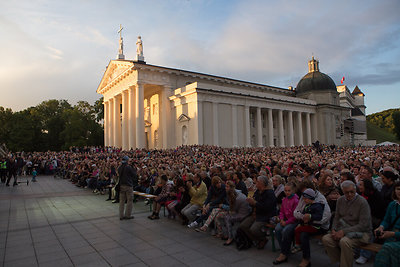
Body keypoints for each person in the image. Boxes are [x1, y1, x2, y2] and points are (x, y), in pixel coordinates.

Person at [322, 180, 372, 267]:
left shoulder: (362, 202)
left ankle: (345, 264)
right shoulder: (340, 200)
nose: (349, 194)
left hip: (362, 232)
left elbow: (364, 225)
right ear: (343, 191)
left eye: (351, 192)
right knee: (326, 239)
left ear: (355, 190)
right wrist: (333, 229)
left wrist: (344, 232)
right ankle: (342, 261)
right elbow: (337, 217)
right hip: (343, 228)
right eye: (346, 192)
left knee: (345, 242)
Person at [239, 175, 277, 250]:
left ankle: (262, 238)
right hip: (256, 213)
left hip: (265, 215)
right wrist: (251, 202)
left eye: (257, 182)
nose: (255, 184)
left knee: (254, 229)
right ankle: (257, 239)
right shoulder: (257, 191)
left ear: (262, 183)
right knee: (243, 226)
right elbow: (254, 201)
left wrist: (255, 203)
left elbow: (267, 207)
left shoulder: (270, 193)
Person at [293, 188, 325, 267]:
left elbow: (319, 216)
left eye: (305, 198)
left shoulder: (317, 205)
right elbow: (303, 215)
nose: (304, 200)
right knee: (300, 231)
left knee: (298, 230)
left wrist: (310, 216)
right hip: (308, 225)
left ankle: (298, 245)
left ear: (310, 198)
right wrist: (301, 222)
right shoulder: (307, 205)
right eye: (303, 198)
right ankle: (302, 252)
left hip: (316, 227)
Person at [374, 181, 400, 267]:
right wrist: (381, 227)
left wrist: (393, 234)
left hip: (395, 237)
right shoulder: (392, 205)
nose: (399, 191)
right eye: (398, 189)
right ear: (394, 191)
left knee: (386, 249)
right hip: (391, 238)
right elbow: (387, 220)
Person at [273, 182, 299, 265]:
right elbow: (282, 211)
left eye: (289, 191)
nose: (287, 192)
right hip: (284, 220)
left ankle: (283, 253)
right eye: (285, 190)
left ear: (293, 190)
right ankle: (284, 249)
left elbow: (295, 216)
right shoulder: (284, 200)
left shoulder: (296, 200)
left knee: (285, 231)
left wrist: (286, 222)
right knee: (277, 229)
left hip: (293, 221)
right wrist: (281, 219)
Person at [117, 156, 137, 220]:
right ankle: (127, 215)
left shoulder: (119, 167)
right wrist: (134, 168)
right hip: (128, 185)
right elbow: (134, 175)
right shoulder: (128, 167)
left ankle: (121, 215)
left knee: (122, 201)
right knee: (129, 200)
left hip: (121, 185)